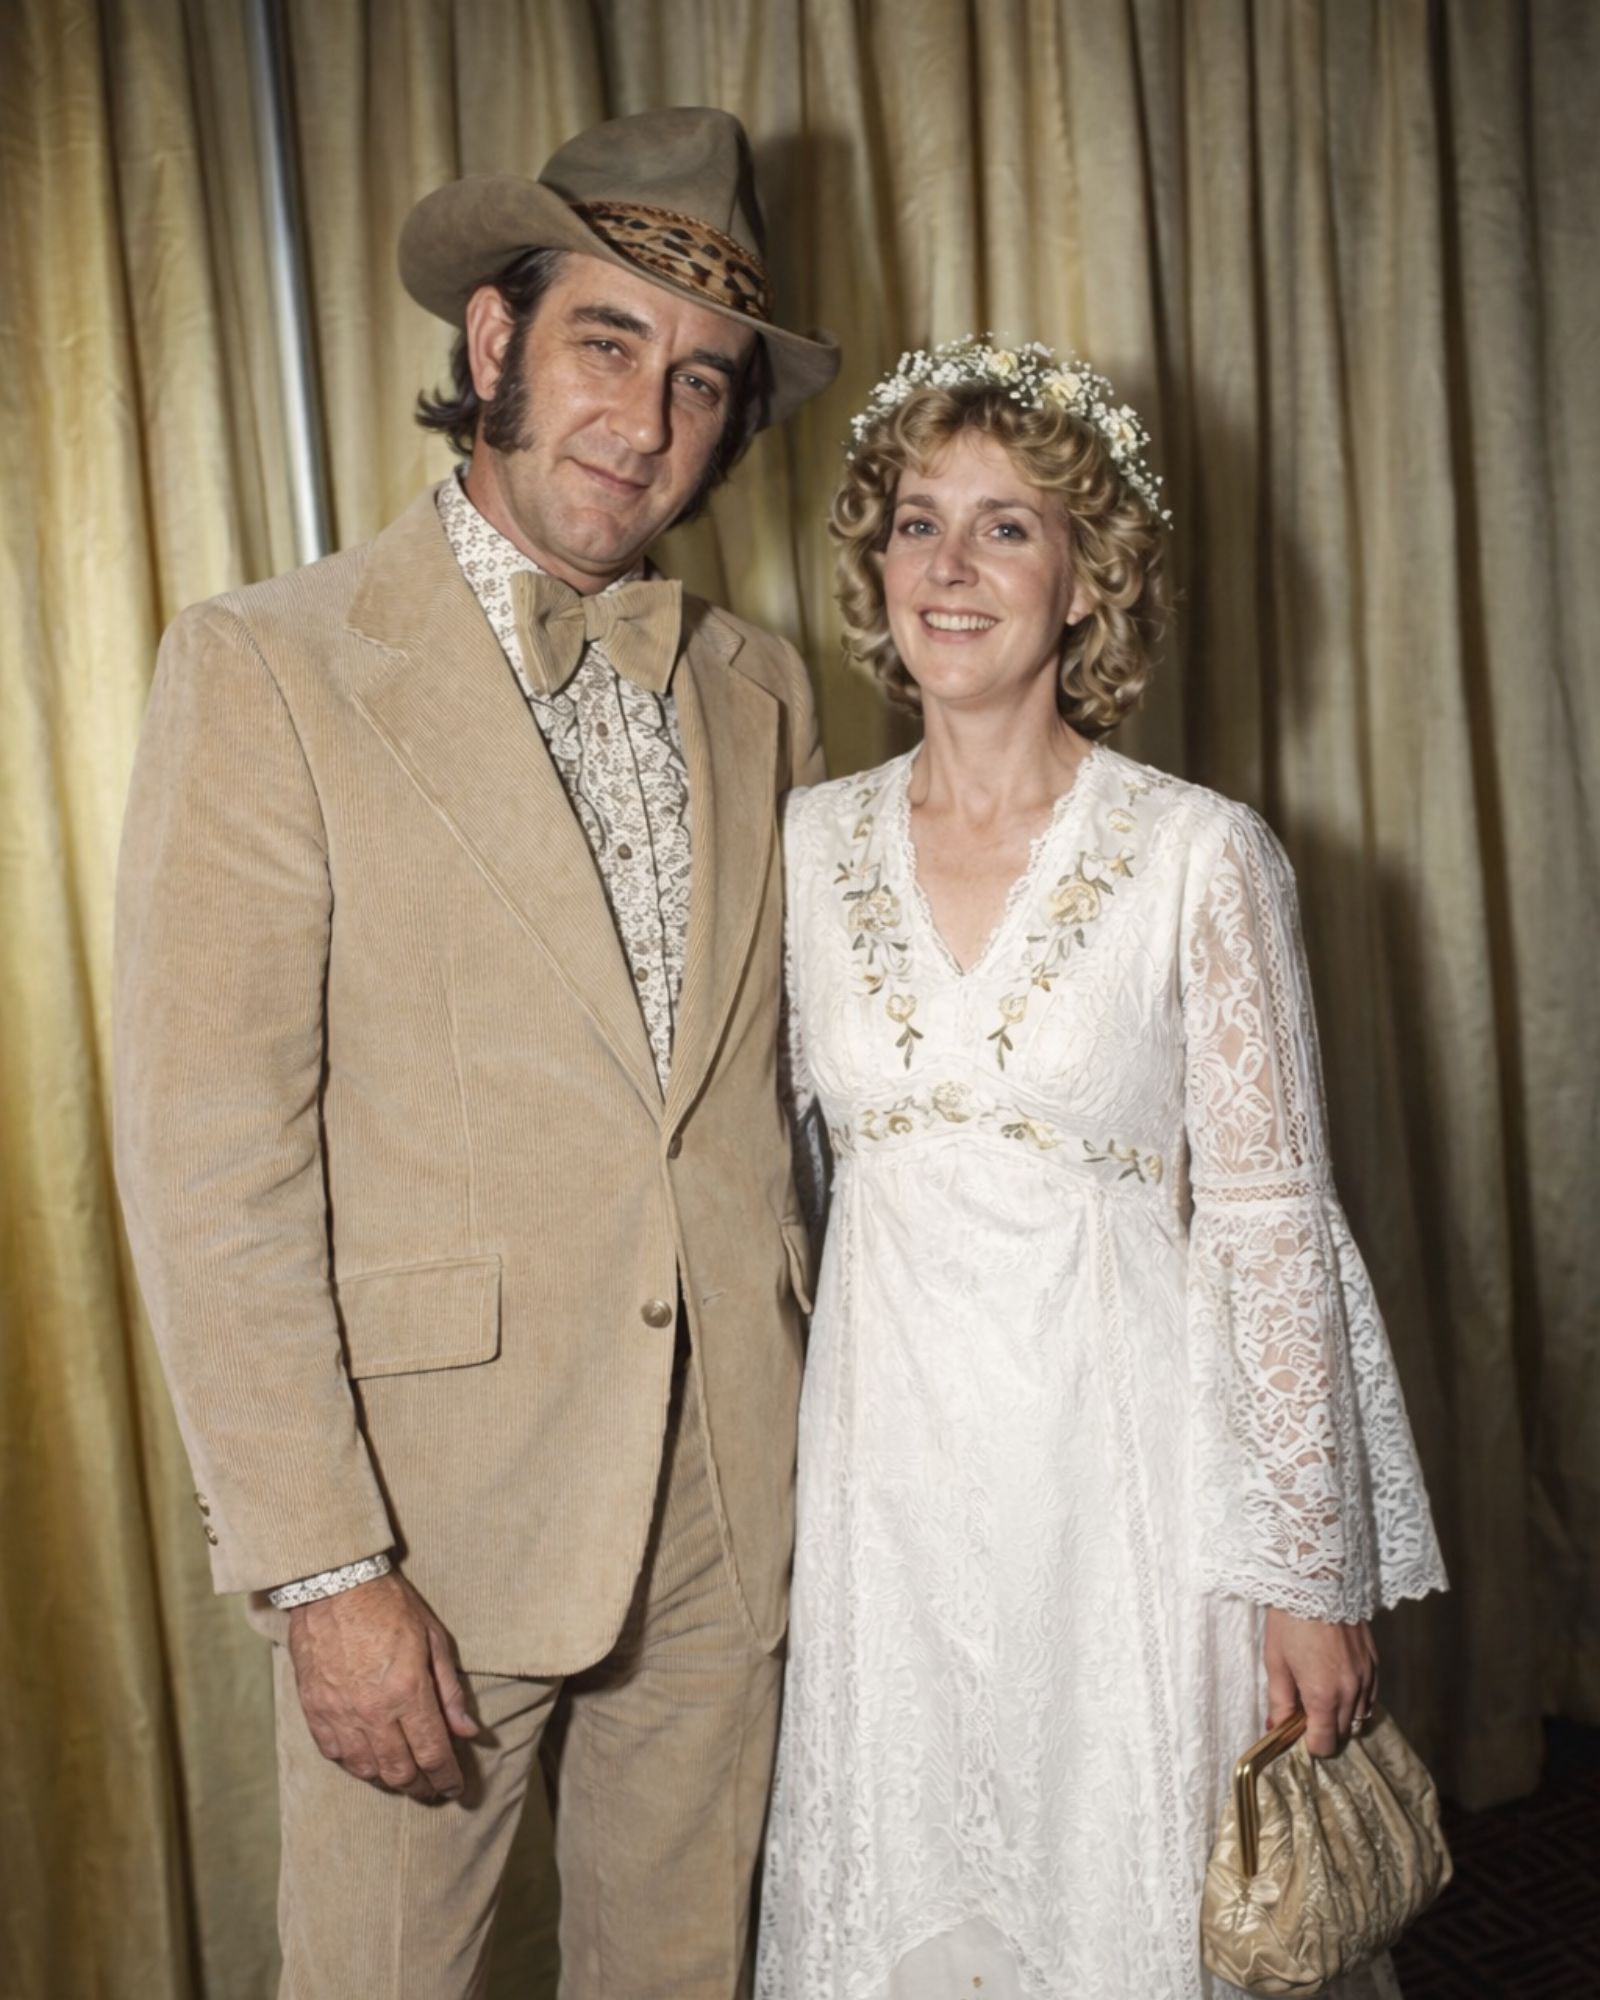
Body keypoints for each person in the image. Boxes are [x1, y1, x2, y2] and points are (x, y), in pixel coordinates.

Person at [114, 107, 838, 1999]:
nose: (646, 419)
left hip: (731, 1504)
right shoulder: (267, 668)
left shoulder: (764, 691)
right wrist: (325, 1573)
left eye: (701, 381)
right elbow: (211, 1164)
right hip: (429, 1532)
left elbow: (789, 1112)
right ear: (495, 339)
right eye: (608, 342)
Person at [756, 338, 1448, 1999]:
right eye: (918, 523)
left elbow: (1275, 1234)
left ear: (1085, 582)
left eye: (1006, 527)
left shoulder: (1201, 856)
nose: (950, 565)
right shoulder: (803, 847)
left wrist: (1307, 1579)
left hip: (1129, 1502)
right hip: (885, 1506)